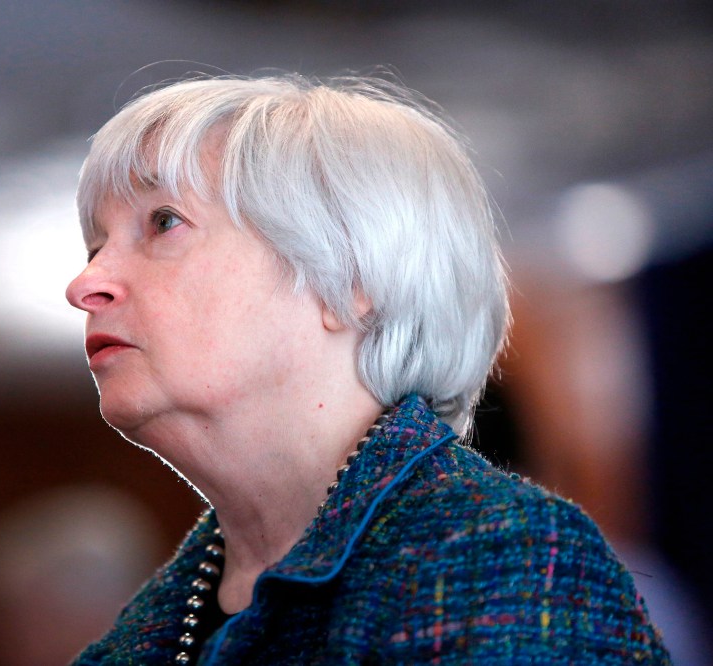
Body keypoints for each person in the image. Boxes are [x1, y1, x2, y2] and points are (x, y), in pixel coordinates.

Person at [64, 73, 669, 664]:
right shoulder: (134, 640)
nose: (85, 283)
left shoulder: (501, 557)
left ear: (350, 276)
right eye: (96, 246)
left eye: (164, 221)